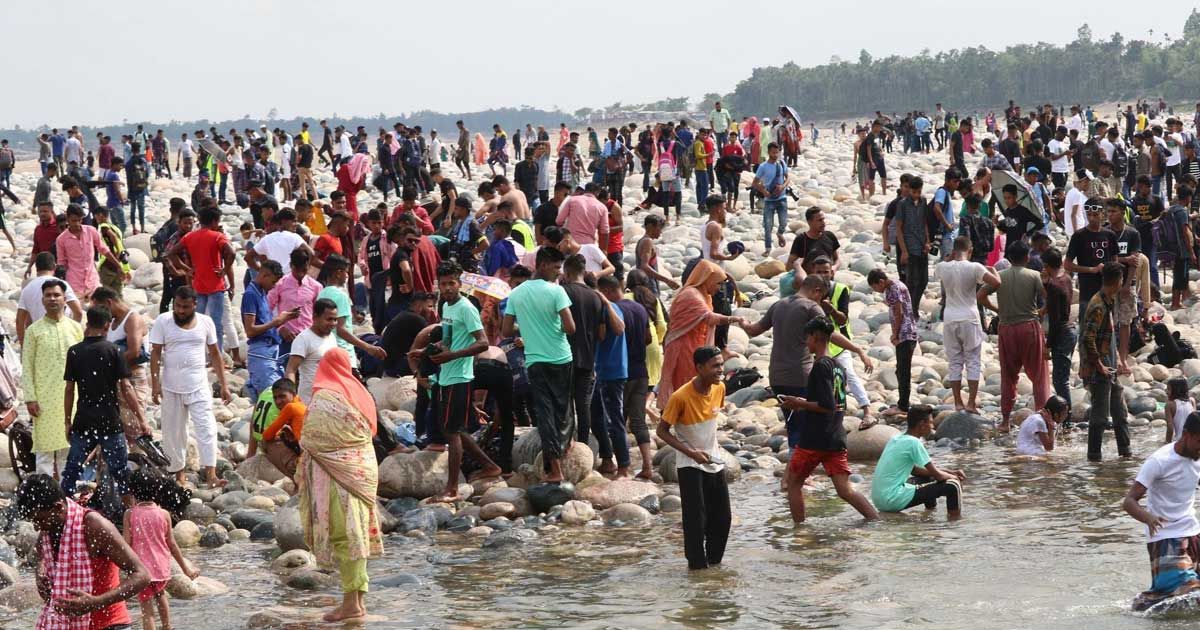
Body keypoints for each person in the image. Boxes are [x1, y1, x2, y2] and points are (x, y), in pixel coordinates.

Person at [295, 351, 384, 622]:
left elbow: (311, 437)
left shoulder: (326, 397)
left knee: (346, 538)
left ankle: (351, 604)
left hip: (339, 478)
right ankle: (357, 599)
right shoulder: (360, 394)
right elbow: (367, 433)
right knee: (357, 536)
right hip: (361, 472)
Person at [14, 474, 150, 630]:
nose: (38, 527)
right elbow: (42, 554)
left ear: (58, 507)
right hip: (68, 624)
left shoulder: (93, 526)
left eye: (39, 520)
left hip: (110, 624)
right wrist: (40, 572)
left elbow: (142, 575)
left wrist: (97, 602)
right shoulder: (50, 527)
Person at [777, 317, 878, 524]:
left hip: (814, 440)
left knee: (793, 484)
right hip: (835, 438)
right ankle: (875, 521)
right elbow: (833, 402)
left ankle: (800, 532)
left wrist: (799, 403)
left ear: (815, 337)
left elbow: (826, 405)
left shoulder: (820, 366)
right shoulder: (838, 365)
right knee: (845, 490)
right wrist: (805, 402)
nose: (807, 343)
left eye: (808, 338)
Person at [501, 247, 576, 483]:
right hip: (561, 357)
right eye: (556, 267)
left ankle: (554, 468)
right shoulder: (556, 292)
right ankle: (563, 451)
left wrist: (528, 327)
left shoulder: (517, 294)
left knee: (544, 413)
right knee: (563, 410)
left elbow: (505, 330)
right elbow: (570, 327)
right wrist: (549, 325)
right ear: (543, 265)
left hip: (535, 361)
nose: (559, 272)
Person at [656, 346, 730, 570]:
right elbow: (662, 431)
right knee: (695, 521)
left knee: (723, 518)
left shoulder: (719, 389)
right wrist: (691, 453)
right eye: (715, 366)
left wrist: (708, 453)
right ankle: (697, 569)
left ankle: (715, 566)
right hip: (689, 465)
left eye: (721, 364)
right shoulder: (680, 397)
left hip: (714, 461)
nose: (720, 370)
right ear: (699, 368)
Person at [149, 286, 231, 487]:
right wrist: (155, 384)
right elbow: (156, 353)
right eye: (177, 306)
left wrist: (224, 385)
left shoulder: (206, 322)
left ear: (195, 304)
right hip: (170, 386)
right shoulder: (163, 321)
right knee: (173, 432)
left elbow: (215, 354)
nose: (181, 311)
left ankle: (211, 474)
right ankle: (179, 474)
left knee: (207, 428)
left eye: (185, 307)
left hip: (199, 385)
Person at [1122, 411, 1200, 612]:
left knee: (1188, 595)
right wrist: (1148, 518)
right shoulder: (1159, 461)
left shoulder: (1197, 457)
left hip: (1192, 533)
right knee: (1191, 591)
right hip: (1165, 538)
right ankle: (1144, 606)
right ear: (1187, 435)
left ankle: (1149, 603)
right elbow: (1129, 501)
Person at [978, 240, 1049, 430]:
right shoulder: (1034, 275)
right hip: (1029, 327)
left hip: (1007, 329)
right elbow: (1050, 296)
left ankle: (1005, 421)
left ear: (1008, 258)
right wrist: (1042, 311)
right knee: (1039, 375)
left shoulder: (999, 276)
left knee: (1008, 376)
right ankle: (1043, 419)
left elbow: (980, 296)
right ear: (1027, 257)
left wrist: (997, 310)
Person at [23, 279, 85, 477]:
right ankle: (45, 497)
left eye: (56, 295)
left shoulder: (75, 329)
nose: (52, 299)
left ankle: (66, 497)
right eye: (48, 295)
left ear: (65, 299)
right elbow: (27, 366)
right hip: (44, 400)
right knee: (45, 451)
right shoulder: (34, 331)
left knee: (69, 449)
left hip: (72, 398)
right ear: (42, 300)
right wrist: (30, 398)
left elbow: (83, 364)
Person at [123, 469, 199, 630]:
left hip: (141, 569)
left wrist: (121, 567)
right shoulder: (164, 514)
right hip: (161, 566)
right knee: (161, 595)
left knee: (147, 610)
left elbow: (126, 544)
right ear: (158, 490)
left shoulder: (130, 514)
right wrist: (186, 569)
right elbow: (172, 544)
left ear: (132, 491)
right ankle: (167, 626)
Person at [658, 260, 741, 407]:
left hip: (696, 343)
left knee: (698, 379)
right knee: (686, 381)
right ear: (707, 280)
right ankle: (683, 414)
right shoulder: (691, 296)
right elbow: (709, 317)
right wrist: (735, 319)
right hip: (684, 346)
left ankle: (694, 411)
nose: (720, 288)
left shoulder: (704, 295)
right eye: (718, 284)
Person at [936, 237, 1000, 412]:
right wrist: (993, 270)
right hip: (969, 316)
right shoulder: (975, 267)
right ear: (970, 250)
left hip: (950, 317)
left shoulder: (942, 267)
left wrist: (948, 258)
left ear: (954, 250)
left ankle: (957, 402)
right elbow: (996, 283)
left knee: (954, 361)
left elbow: (941, 269)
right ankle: (971, 403)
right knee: (973, 360)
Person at [870, 404, 966, 520]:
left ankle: (930, 513)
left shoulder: (896, 439)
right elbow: (938, 476)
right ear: (921, 424)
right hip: (891, 500)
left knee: (928, 478)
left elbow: (917, 471)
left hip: (880, 500)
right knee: (953, 485)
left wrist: (950, 471)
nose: (932, 426)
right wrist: (953, 477)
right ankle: (955, 522)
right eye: (930, 422)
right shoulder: (913, 442)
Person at [167, 206, 235, 351]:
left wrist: (187, 269)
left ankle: (196, 351)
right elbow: (232, 253)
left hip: (198, 285)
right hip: (216, 285)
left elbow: (172, 253)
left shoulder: (190, 236)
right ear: (214, 221)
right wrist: (224, 270)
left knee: (196, 321)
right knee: (215, 323)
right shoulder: (217, 236)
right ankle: (216, 355)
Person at [1081, 262, 1130, 461]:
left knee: (1120, 412)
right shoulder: (1098, 305)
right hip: (1099, 368)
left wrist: (1117, 358)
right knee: (1100, 416)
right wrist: (1098, 365)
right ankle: (1094, 458)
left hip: (1109, 365)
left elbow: (1106, 336)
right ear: (1118, 281)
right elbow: (1087, 338)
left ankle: (1125, 453)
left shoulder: (1107, 300)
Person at [869, 269, 919, 416]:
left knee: (903, 372)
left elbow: (899, 313)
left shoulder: (893, 289)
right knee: (901, 370)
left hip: (904, 334)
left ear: (881, 282)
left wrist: (894, 334)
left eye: (875, 287)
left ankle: (903, 406)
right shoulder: (897, 284)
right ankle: (903, 402)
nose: (877, 291)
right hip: (910, 332)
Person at [56, 203, 118, 302]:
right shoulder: (61, 239)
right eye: (73, 220)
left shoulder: (91, 231)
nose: (77, 224)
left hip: (93, 280)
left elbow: (104, 250)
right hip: (74, 282)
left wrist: (119, 266)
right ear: (67, 219)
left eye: (79, 220)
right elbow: (61, 262)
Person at [17, 252, 83, 344]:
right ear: (54, 267)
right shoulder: (61, 285)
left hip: (39, 337)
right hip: (62, 335)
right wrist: (72, 332)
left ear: (36, 268)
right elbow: (78, 312)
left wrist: (23, 343)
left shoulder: (27, 289)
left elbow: (20, 320)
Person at [1041, 248, 1076, 415]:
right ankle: (1066, 415)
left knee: (1060, 381)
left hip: (1061, 333)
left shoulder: (1054, 286)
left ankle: (1065, 419)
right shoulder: (1066, 278)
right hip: (1070, 330)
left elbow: (1055, 322)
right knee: (1063, 379)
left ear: (1047, 266)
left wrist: (1048, 345)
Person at [286, 298, 340, 404]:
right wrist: (292, 398)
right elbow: (291, 370)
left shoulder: (332, 337)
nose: (333, 323)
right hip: (309, 401)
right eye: (329, 319)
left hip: (329, 400)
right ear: (315, 317)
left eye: (335, 319)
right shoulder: (303, 339)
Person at [894, 176, 931, 319]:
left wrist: (928, 241)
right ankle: (909, 310)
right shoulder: (902, 204)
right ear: (909, 190)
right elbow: (898, 228)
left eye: (918, 192)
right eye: (914, 192)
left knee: (924, 281)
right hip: (910, 246)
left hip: (922, 246)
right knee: (912, 280)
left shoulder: (923, 202)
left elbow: (925, 222)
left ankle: (913, 307)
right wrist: (903, 251)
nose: (916, 194)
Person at [753, 143, 789, 248]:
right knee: (768, 226)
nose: (776, 154)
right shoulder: (763, 166)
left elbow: (788, 178)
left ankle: (780, 233)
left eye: (777, 152)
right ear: (768, 152)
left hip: (782, 198)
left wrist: (783, 186)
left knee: (784, 222)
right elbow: (755, 183)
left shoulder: (782, 163)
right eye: (773, 152)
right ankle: (767, 247)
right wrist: (764, 192)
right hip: (769, 200)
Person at [1167, 378, 1196, 444]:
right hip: (1194, 440)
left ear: (1175, 390)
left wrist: (1167, 443)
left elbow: (1170, 427)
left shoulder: (1169, 405)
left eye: (1168, 389)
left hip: (1180, 441)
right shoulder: (1191, 401)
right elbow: (1196, 421)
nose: (1166, 391)